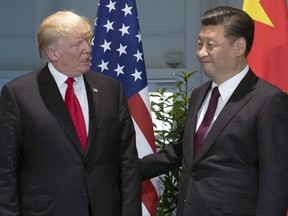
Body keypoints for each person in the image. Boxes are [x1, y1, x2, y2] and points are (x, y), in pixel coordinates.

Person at [141, 6, 288, 215]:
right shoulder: (199, 95)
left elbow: (275, 181)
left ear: (239, 46)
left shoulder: (269, 100)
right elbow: (184, 150)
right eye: (200, 43)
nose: (201, 53)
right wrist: (127, 169)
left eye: (211, 45)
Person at [0, 10, 141, 216]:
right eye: (77, 44)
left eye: (87, 40)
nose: (88, 49)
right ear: (53, 53)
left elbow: (127, 160)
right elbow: (5, 168)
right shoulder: (18, 95)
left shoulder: (112, 89)